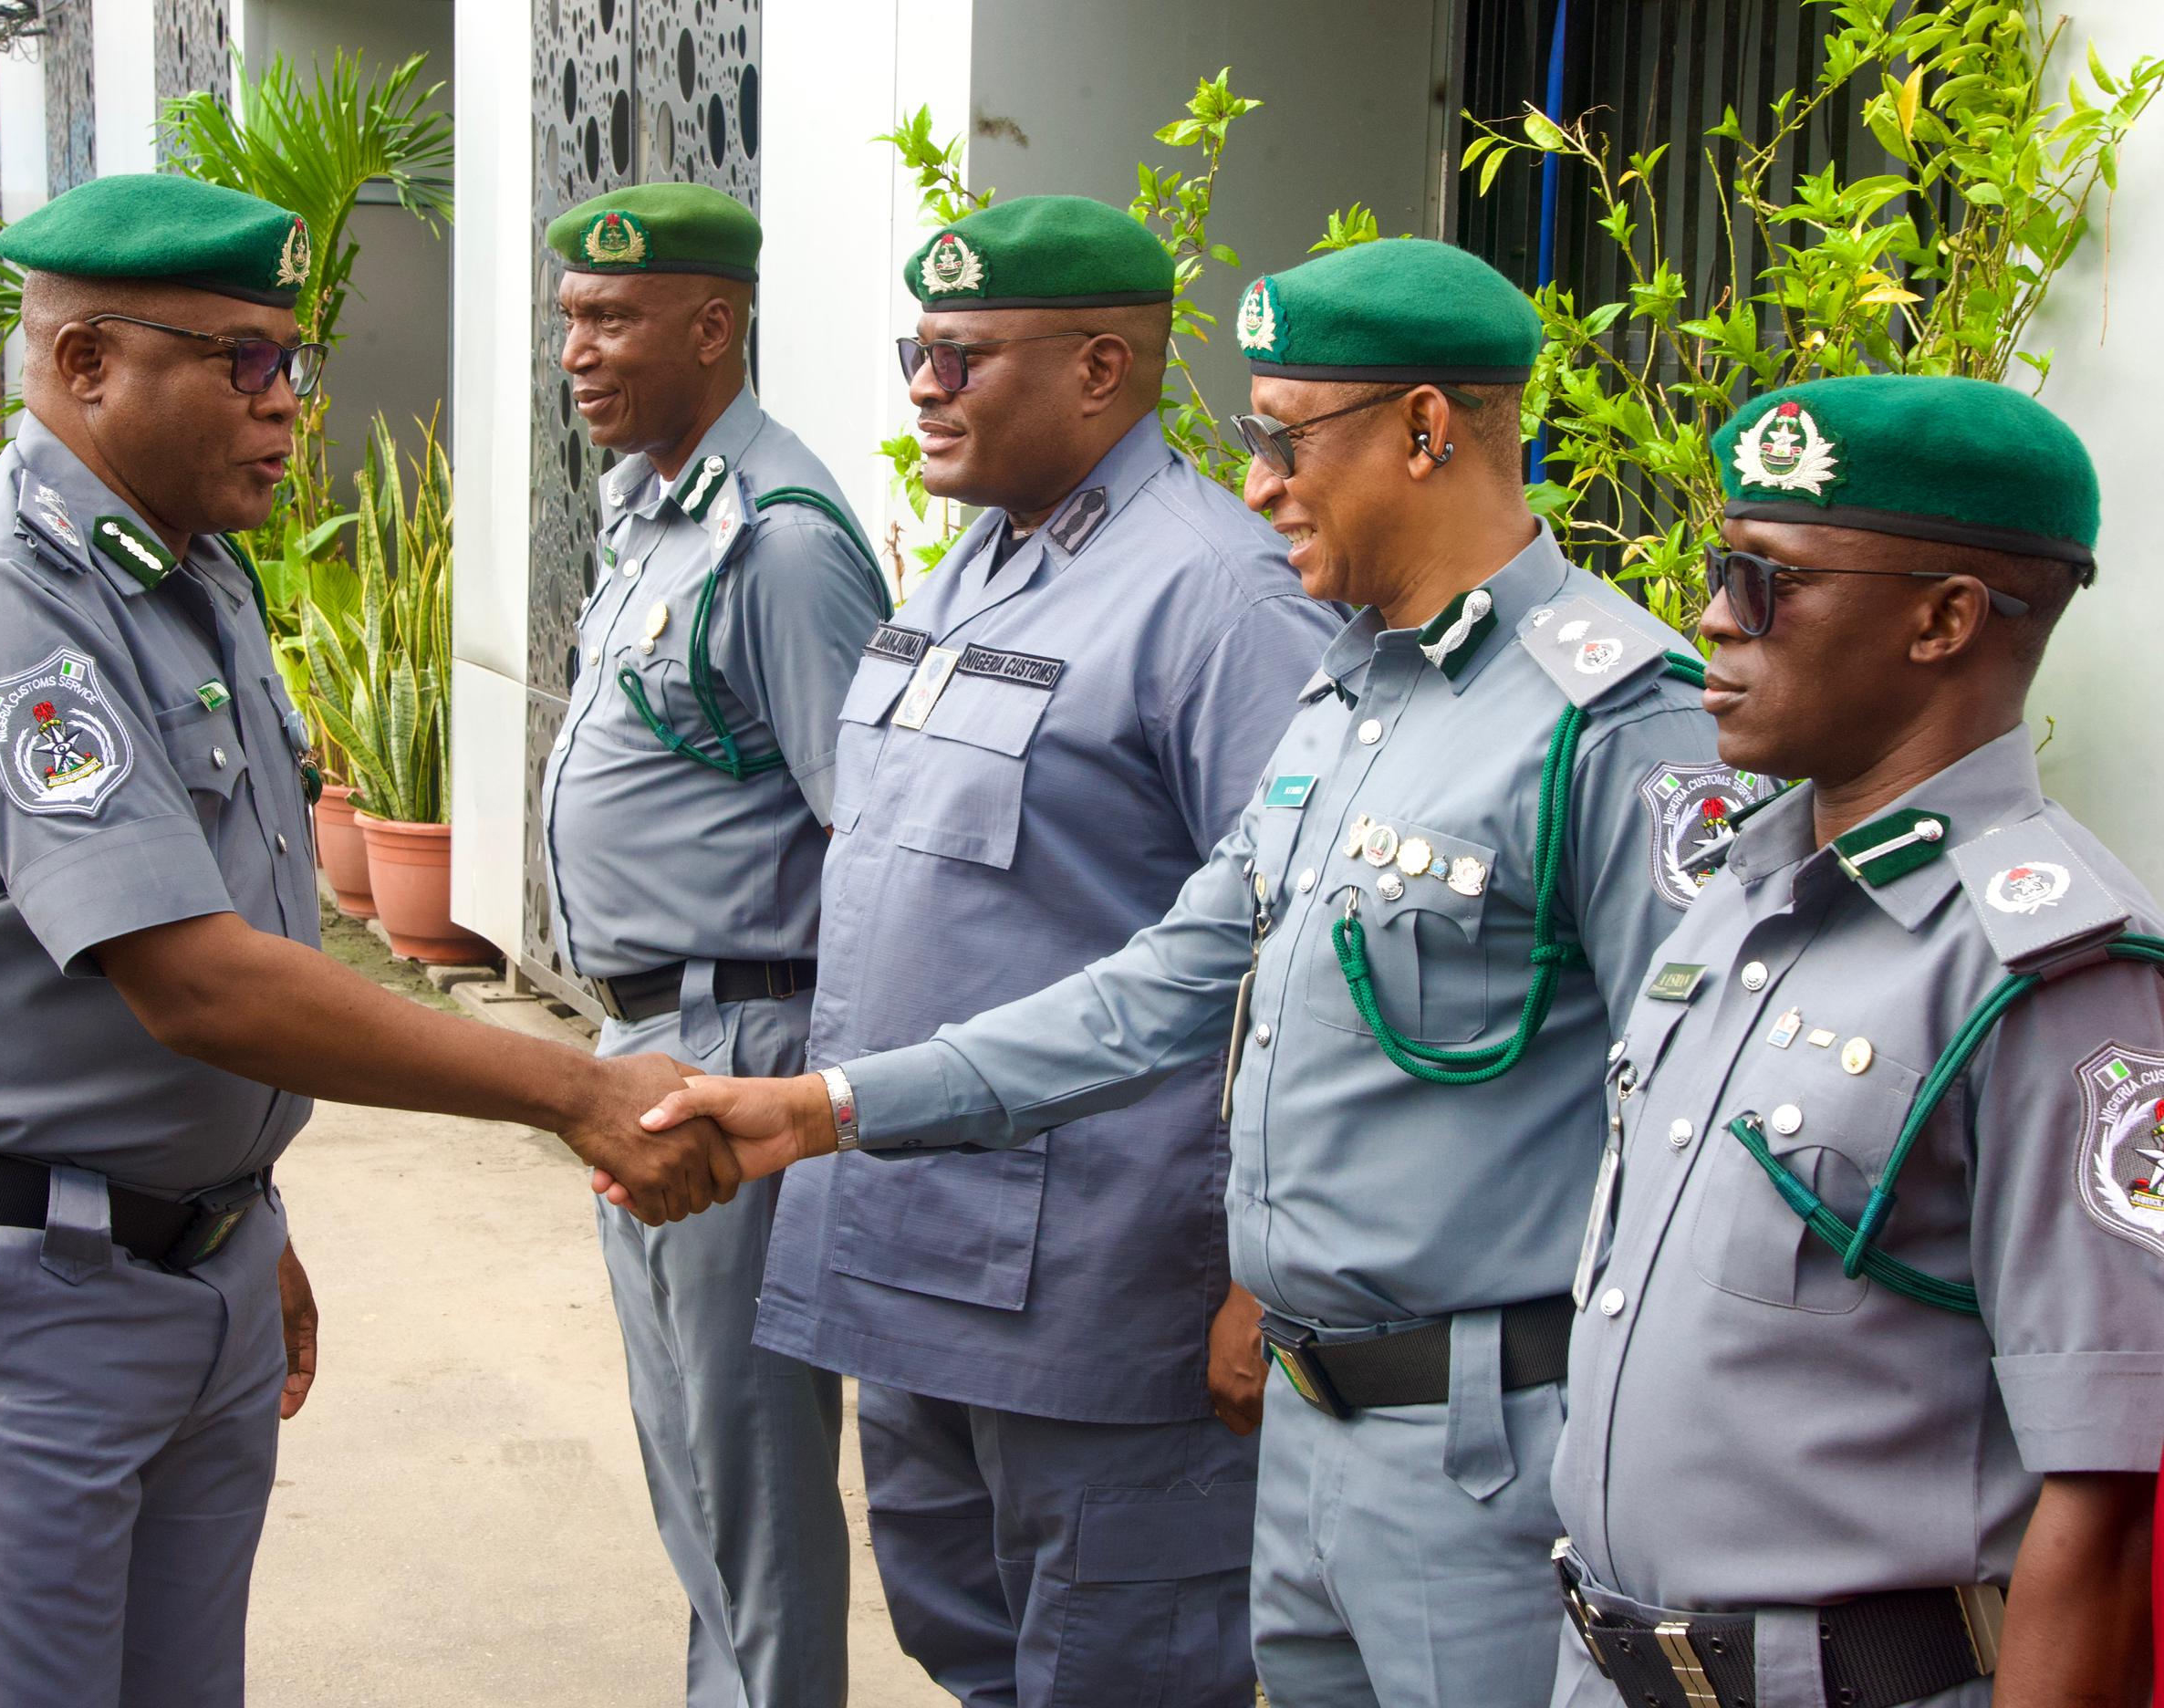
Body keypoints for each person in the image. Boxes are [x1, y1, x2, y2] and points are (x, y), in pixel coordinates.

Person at [631, 236, 1762, 1706]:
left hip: (1487, 1438)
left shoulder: (1614, 722)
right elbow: (1160, 987)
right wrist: (826, 1108)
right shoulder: (1351, 695)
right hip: (1310, 1422)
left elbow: (1694, 1135)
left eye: (1287, 440)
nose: (1257, 484)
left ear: (1425, 431)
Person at [0, 173, 724, 1708]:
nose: (285, 402)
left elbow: (246, 921)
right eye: (240, 359)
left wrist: (238, 1206)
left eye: (290, 362)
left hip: (183, 1258)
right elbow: (196, 979)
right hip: (8, 1287)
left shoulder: (190, 570)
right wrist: (571, 1091)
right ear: (87, 365)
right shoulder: (3, 594)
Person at [741, 193, 1335, 1707]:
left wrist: (1264, 1271)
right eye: (919, 352)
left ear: (1098, 370)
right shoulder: (972, 571)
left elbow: (1295, 953)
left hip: (1098, 1289)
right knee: (968, 1653)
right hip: (906, 1250)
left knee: (1120, 1669)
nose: (925, 387)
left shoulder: (1218, 593)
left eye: (964, 356)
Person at [1546, 374, 2161, 1708]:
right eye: (1723, 569)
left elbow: (2108, 1488)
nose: (1713, 616)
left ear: (1942, 620)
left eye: (1770, 583)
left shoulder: (2051, 971)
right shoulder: (1735, 899)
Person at [538, 182, 890, 1708]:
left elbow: (870, 844)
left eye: (611, 319)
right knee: (688, 1459)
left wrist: (824, 1103)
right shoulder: (656, 512)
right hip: (649, 1040)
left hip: (742, 1043)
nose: (578, 352)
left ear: (714, 324)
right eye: (568, 320)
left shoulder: (784, 544)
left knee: (748, 1479)